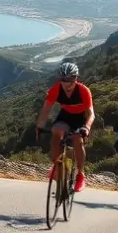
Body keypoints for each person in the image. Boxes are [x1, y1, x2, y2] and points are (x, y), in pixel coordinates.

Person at [34, 61, 94, 192]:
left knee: (78, 139)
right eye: (64, 80)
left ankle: (80, 174)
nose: (67, 84)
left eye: (71, 80)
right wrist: (39, 126)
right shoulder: (56, 89)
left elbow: (91, 114)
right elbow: (46, 110)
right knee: (56, 131)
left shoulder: (84, 91)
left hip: (80, 118)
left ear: (76, 78)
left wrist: (87, 128)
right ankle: (57, 164)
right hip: (65, 116)